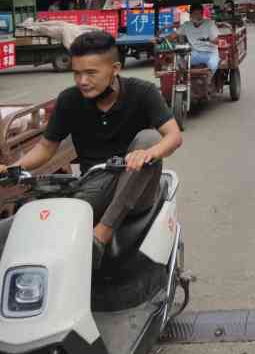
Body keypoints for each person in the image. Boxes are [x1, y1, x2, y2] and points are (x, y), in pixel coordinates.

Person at [0, 31, 182, 270]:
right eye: (77, 73)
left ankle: (100, 237)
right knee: (25, 225)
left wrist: (150, 153)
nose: (82, 81)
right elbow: (45, 149)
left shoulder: (143, 92)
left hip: (138, 190)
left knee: (148, 137)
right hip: (93, 186)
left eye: (91, 73)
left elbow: (174, 136)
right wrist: (12, 168)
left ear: (115, 68)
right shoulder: (69, 100)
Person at [171, 4, 220, 73]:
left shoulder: (210, 24)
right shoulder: (186, 25)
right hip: (195, 53)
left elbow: (218, 40)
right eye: (195, 14)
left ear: (202, 14)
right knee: (179, 60)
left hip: (210, 53)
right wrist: (161, 39)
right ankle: (182, 79)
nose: (197, 16)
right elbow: (173, 35)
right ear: (190, 15)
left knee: (212, 66)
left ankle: (208, 82)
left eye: (199, 13)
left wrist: (208, 40)